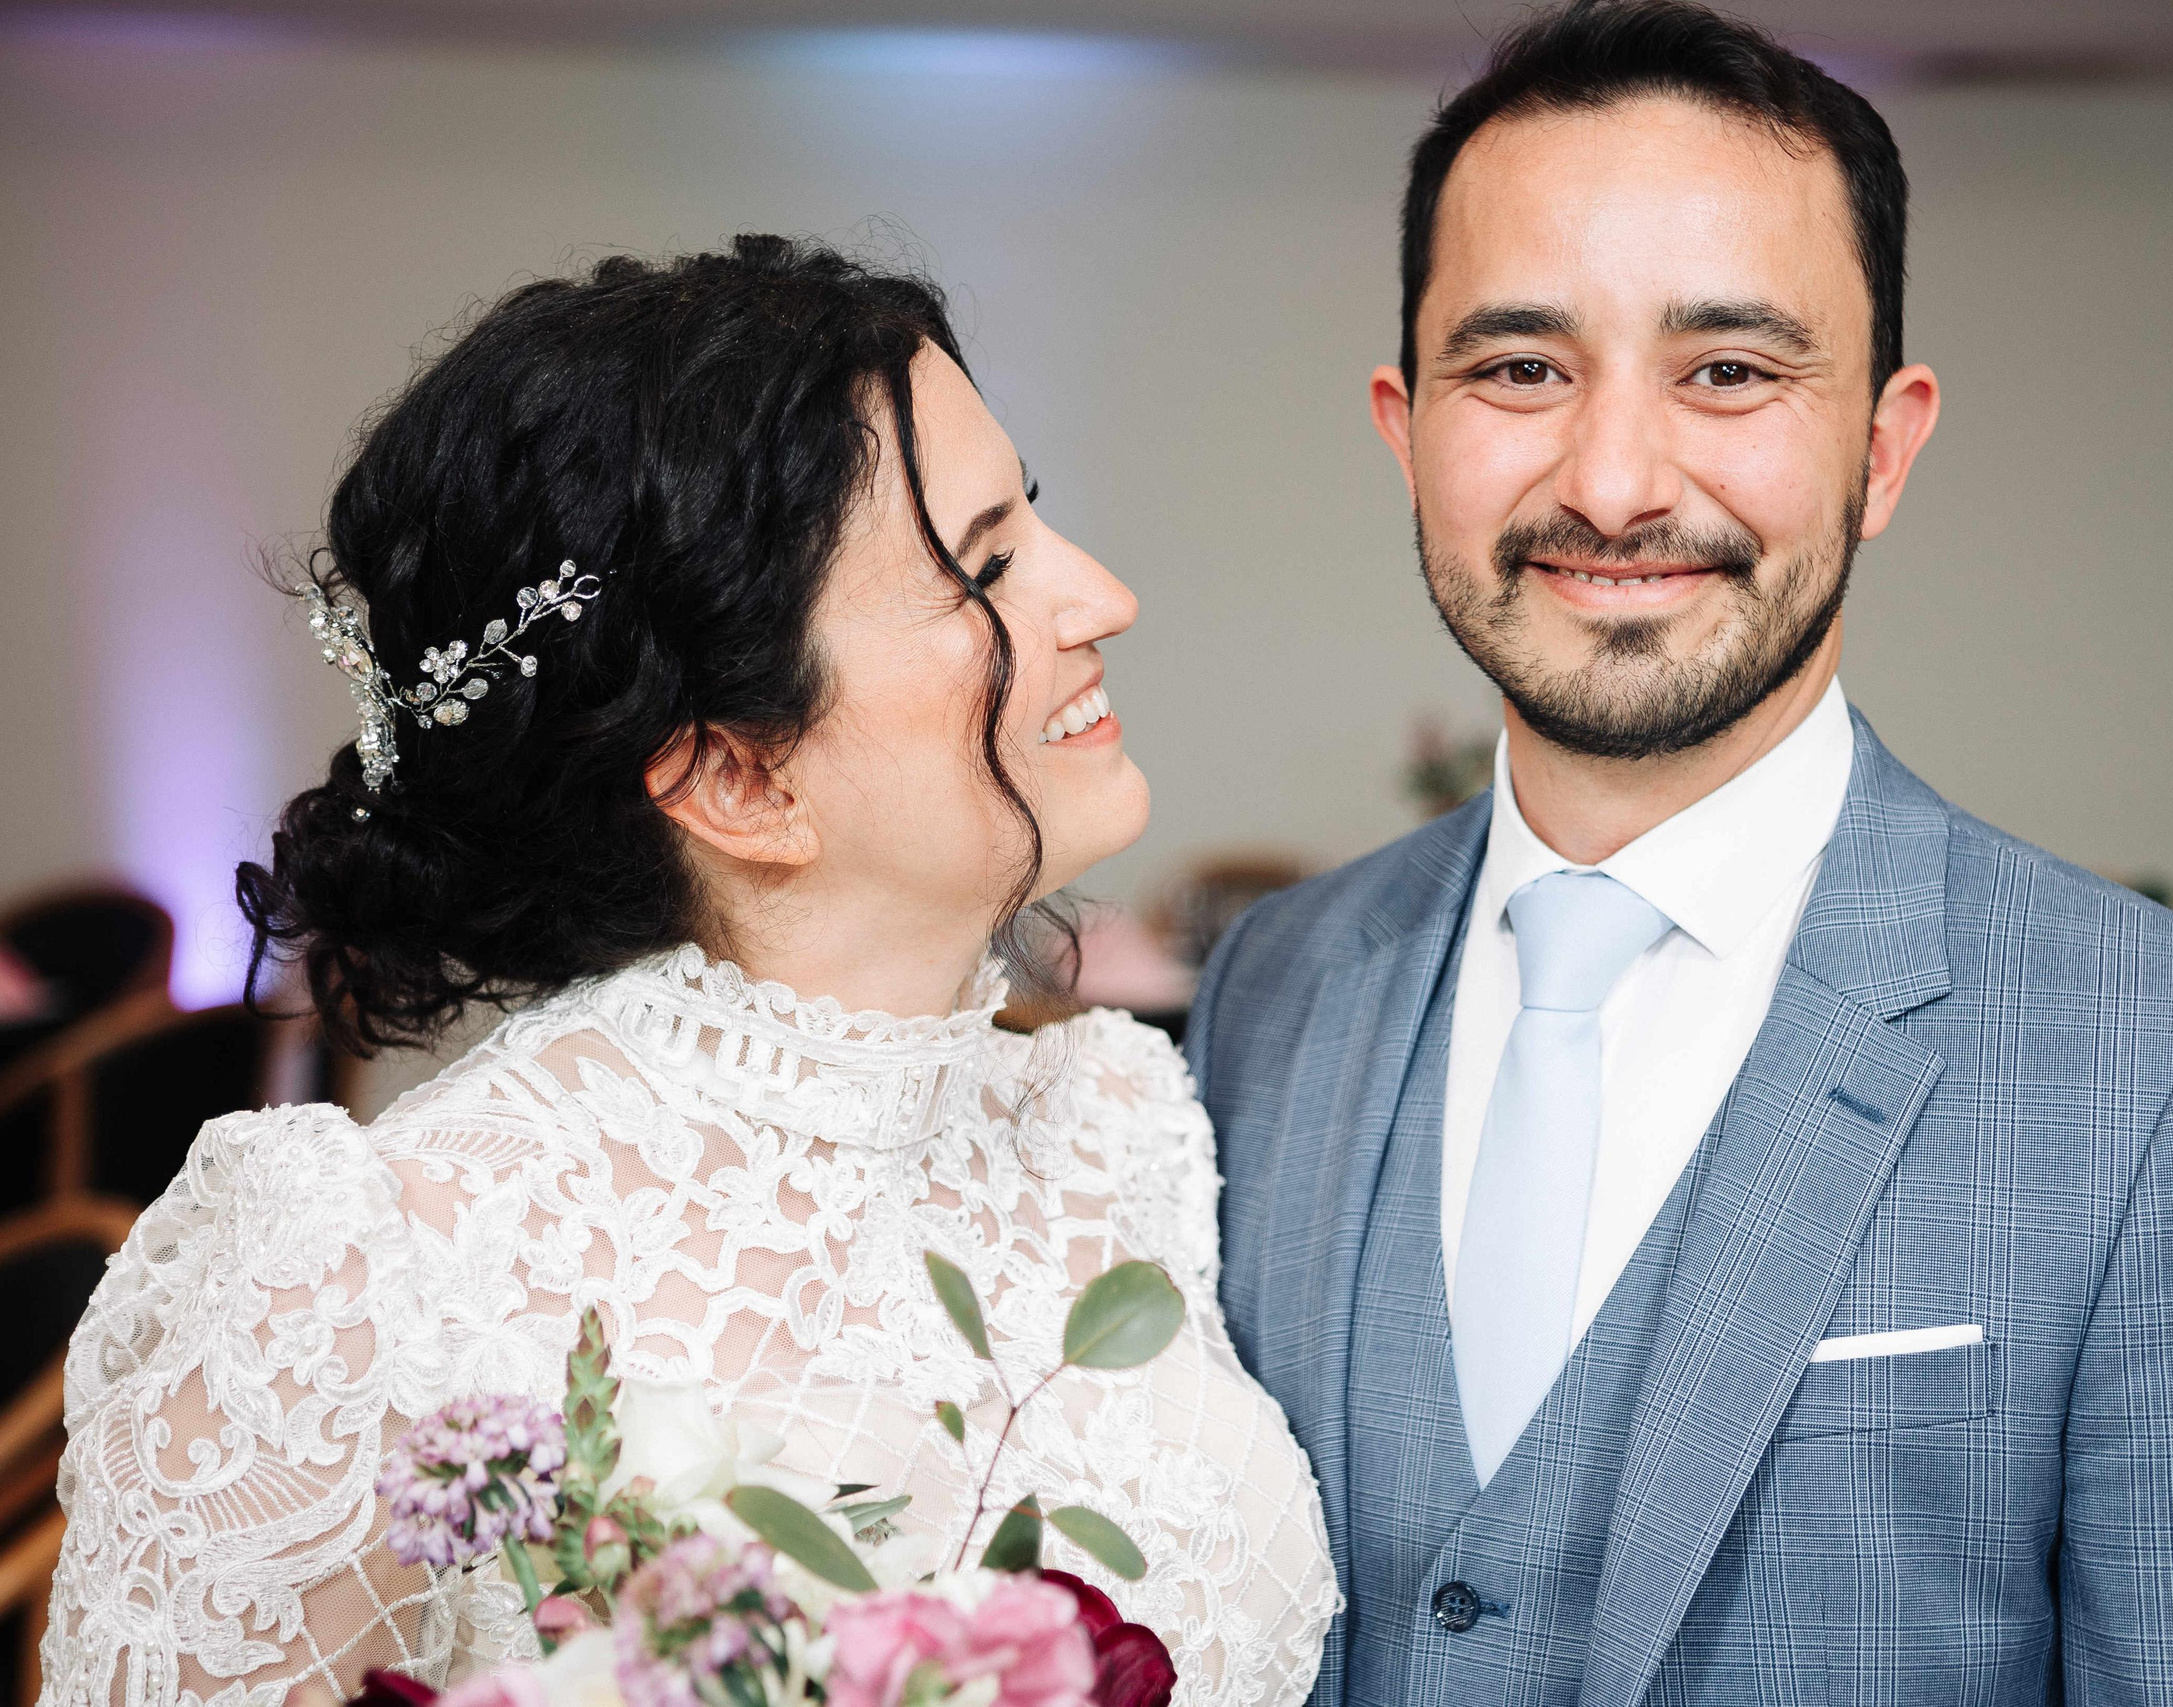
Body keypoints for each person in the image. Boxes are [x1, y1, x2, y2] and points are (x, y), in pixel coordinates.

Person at [1185, 5, 2173, 1704]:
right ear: (1407, 424)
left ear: (1883, 446)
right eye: (1520, 368)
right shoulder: (1273, 987)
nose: (1612, 483)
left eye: (1732, 372)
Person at [40, 237, 1337, 1707]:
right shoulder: (359, 1285)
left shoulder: (1120, 1120)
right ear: (737, 778)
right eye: (984, 566)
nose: (1101, 596)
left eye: (1035, 522)